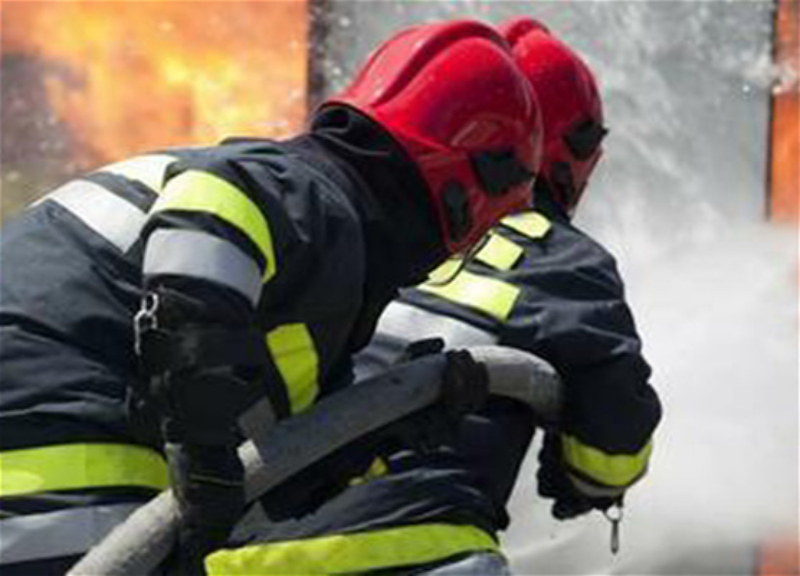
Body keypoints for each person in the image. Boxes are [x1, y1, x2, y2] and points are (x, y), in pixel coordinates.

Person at [0, 19, 543, 575]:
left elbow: (275, 475)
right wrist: (201, 443)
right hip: (52, 437)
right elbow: (212, 210)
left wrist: (393, 428)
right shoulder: (313, 195)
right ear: (468, 193)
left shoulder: (308, 264)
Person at [205, 17, 661, 576]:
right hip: (415, 553)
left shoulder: (342, 225)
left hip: (231, 555)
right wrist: (579, 476)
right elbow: (611, 453)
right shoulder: (559, 258)